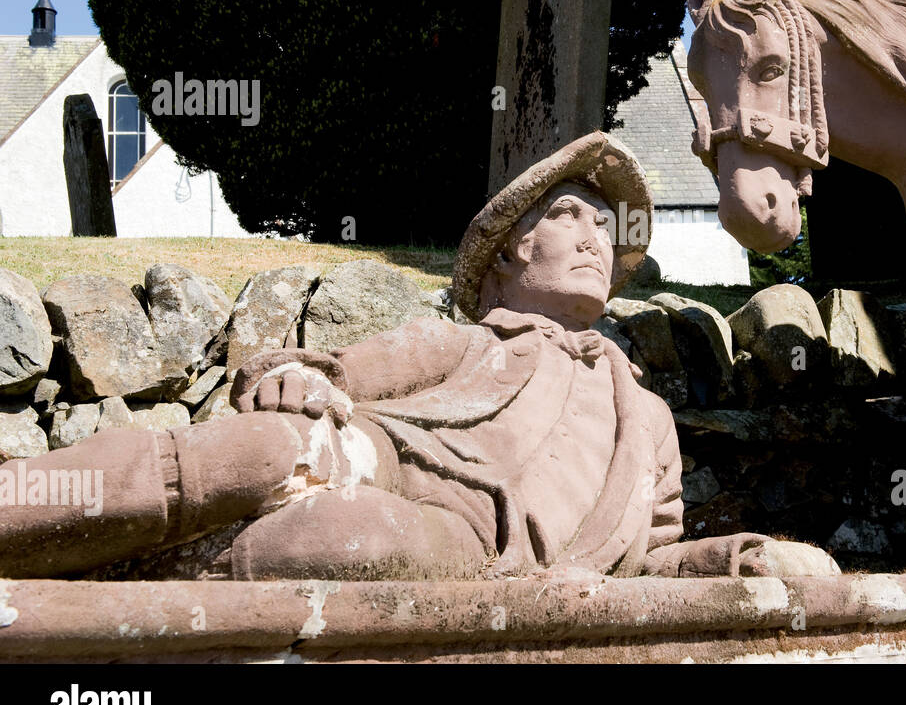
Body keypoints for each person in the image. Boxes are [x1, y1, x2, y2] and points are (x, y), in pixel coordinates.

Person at [0, 132, 838, 581]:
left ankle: (148, 581)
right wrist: (297, 380)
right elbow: (343, 374)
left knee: (348, 538)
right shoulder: (464, 339)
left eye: (603, 228)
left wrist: (739, 555)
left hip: (470, 545)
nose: (595, 237)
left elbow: (650, 557)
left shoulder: (645, 414)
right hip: (393, 456)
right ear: (510, 250)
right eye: (572, 216)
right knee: (282, 448)